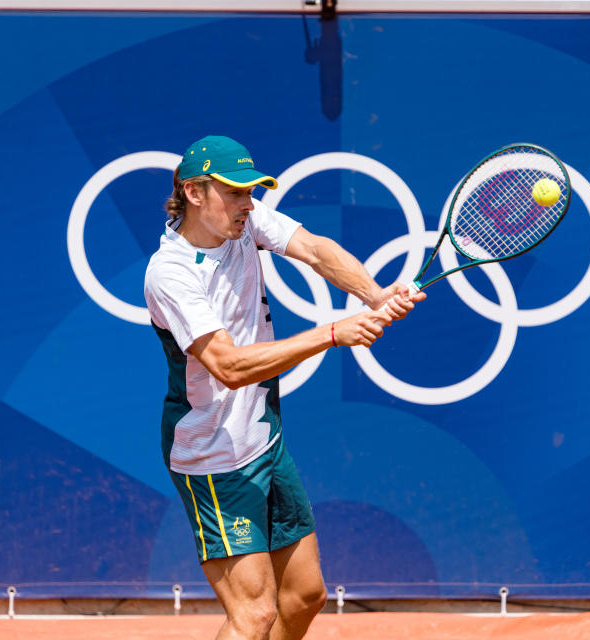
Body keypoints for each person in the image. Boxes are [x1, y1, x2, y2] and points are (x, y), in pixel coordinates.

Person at [143, 135, 424, 640]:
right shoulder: (171, 273)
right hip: (214, 456)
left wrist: (375, 293)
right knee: (253, 615)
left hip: (263, 439)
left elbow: (315, 250)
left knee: (303, 595)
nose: (246, 203)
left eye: (250, 192)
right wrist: (332, 333)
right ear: (193, 193)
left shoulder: (244, 222)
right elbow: (227, 365)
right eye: (233, 192)